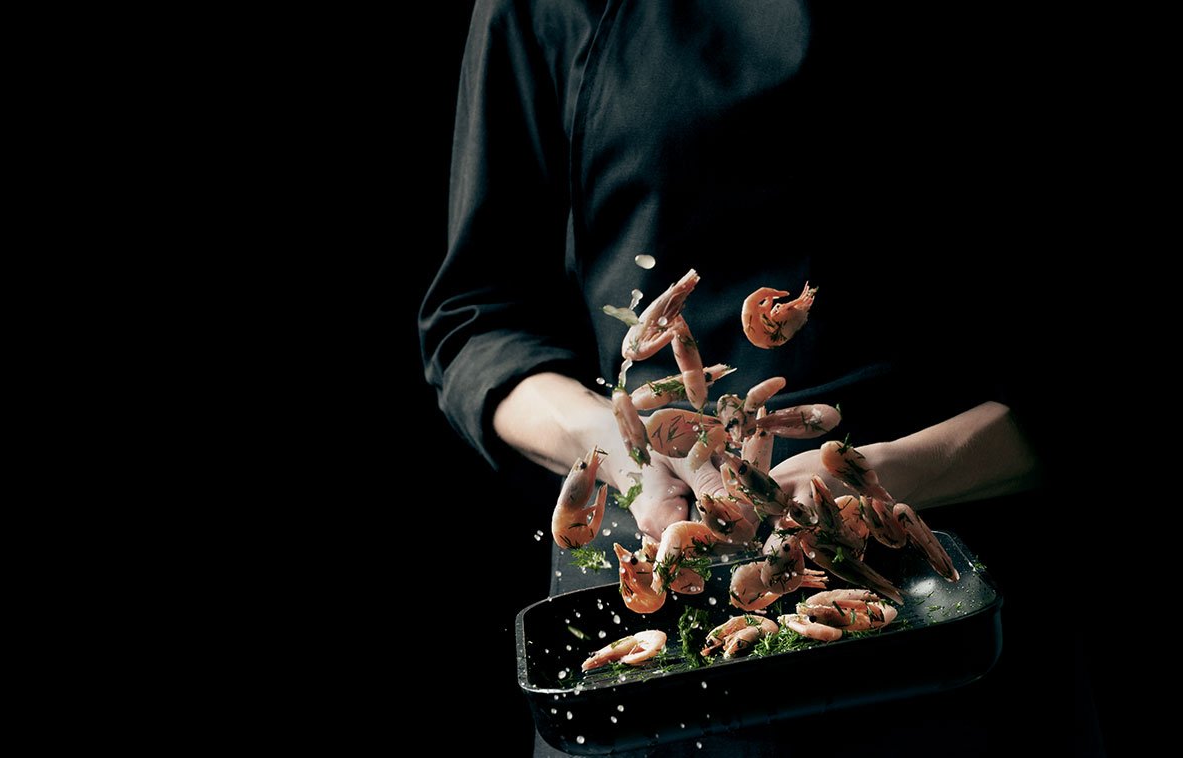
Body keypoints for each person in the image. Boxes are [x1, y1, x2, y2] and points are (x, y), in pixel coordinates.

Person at [421, 2, 1102, 755]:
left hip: (958, 630)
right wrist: (619, 450)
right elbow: (477, 323)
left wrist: (885, 471)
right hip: (656, 654)